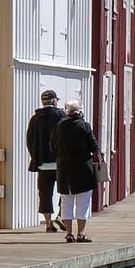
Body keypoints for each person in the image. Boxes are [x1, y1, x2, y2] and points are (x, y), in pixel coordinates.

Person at [51, 98, 101, 243]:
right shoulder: (84, 126)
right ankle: (81, 233)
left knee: (66, 201)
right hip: (82, 167)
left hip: (64, 167)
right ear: (80, 111)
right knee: (83, 202)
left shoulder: (59, 126)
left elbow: (52, 147)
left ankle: (69, 234)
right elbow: (93, 146)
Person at [26, 90, 64, 232]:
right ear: (54, 101)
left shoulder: (35, 119)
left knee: (45, 194)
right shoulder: (60, 115)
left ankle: (48, 224)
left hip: (42, 164)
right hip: (60, 163)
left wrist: (35, 156)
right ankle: (61, 215)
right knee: (66, 191)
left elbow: (29, 140)